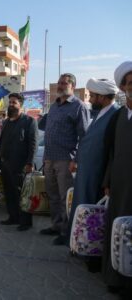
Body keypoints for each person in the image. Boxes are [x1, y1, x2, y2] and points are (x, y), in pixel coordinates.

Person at [65, 78, 119, 272]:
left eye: (93, 95)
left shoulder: (115, 115)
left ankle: (93, 255)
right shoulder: (100, 113)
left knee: (95, 215)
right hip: (87, 173)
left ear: (103, 97)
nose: (90, 98)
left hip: (97, 176)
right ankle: (81, 246)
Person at [38, 73, 90, 245]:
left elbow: (84, 136)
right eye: (59, 83)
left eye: (64, 83)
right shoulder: (54, 106)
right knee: (52, 195)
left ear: (72, 86)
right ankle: (56, 225)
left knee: (64, 197)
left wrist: (76, 159)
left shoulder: (78, 106)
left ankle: (67, 231)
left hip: (65, 160)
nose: (60, 85)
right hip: (49, 158)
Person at [102, 61, 132, 295]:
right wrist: (107, 182)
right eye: (130, 83)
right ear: (123, 87)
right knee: (118, 230)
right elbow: (110, 152)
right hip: (120, 184)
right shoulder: (119, 116)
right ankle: (116, 278)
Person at [0, 93, 38, 231]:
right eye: (10, 102)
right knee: (9, 193)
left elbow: (33, 144)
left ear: (21, 104)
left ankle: (25, 221)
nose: (11, 105)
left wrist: (30, 163)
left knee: (23, 194)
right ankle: (13, 217)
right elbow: (1, 142)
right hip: (6, 164)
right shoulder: (7, 122)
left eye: (14, 102)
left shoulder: (29, 122)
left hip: (20, 166)